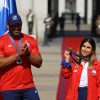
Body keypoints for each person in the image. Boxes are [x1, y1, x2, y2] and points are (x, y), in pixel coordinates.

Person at [0, 13, 42, 100]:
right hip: (9, 88)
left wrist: (28, 54)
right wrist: (17, 54)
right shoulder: (2, 41)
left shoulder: (30, 40)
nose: (16, 27)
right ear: (8, 25)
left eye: (18, 25)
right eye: (13, 25)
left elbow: (39, 63)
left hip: (28, 86)